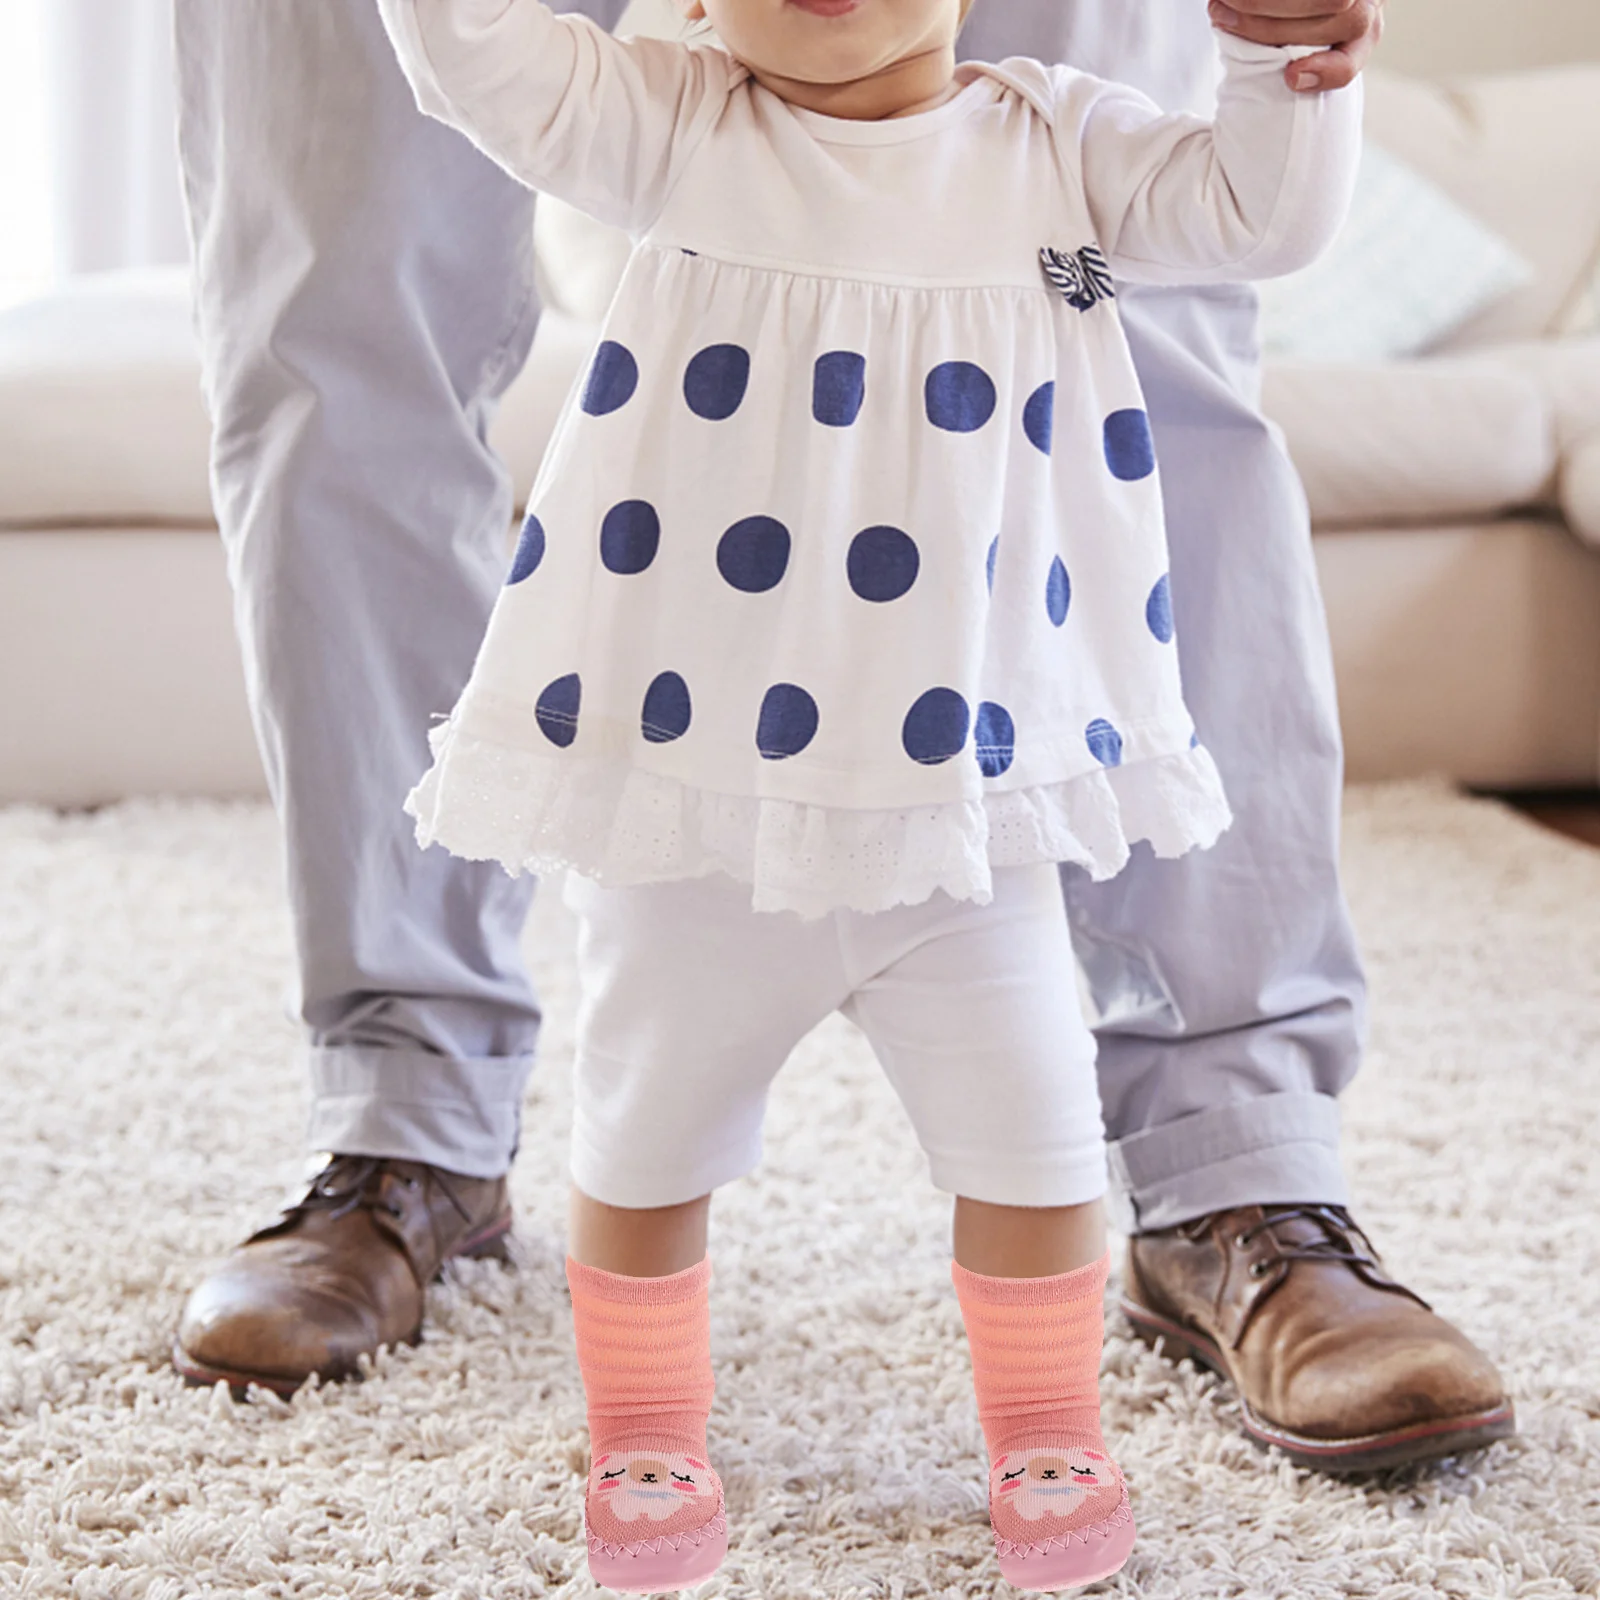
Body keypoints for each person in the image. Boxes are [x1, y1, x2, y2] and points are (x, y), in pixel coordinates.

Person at [170, 0, 1512, 1505]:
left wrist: (1282, 67)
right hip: (694, 803)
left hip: (977, 795)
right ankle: (405, 1113)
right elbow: (476, 69)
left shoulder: (1058, 153)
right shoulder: (674, 125)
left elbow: (1243, 213)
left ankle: (1235, 1148)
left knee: (1147, 332)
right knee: (340, 309)